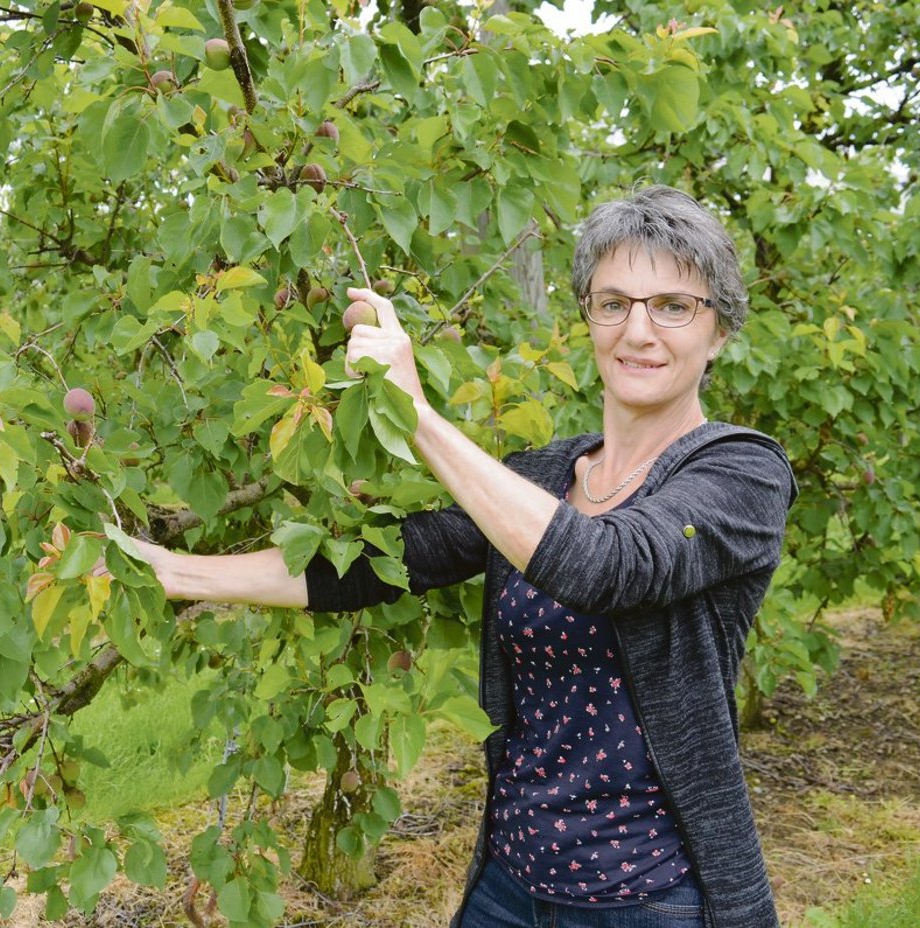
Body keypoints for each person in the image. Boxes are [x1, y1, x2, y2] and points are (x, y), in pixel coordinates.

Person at [134, 185, 796, 928]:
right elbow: (381, 564)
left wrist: (416, 415)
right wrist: (171, 571)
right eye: (613, 302)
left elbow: (607, 566)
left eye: (673, 306)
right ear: (588, 317)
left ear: (720, 332)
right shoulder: (543, 477)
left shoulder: (741, 473)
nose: (638, 330)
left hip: (653, 898)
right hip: (511, 885)